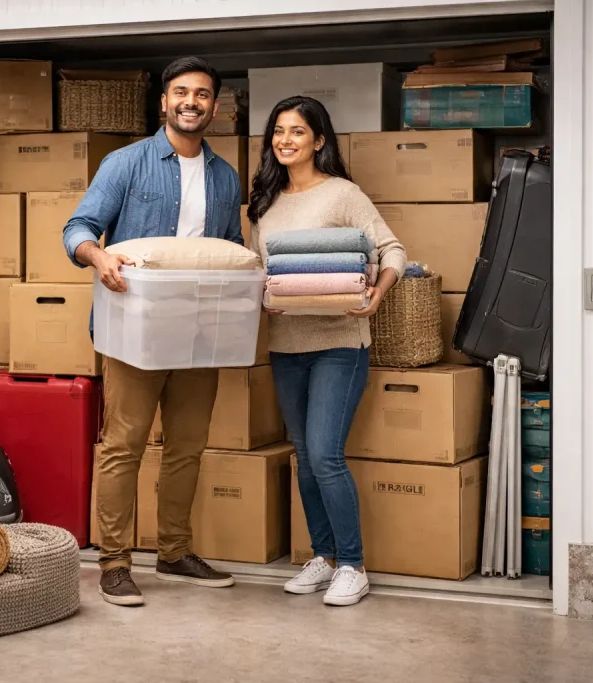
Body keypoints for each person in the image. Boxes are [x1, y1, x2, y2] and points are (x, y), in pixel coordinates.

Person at [62, 56, 243, 607]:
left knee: (187, 448)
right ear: (164, 101)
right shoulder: (126, 163)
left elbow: (230, 251)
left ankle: (174, 551)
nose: (192, 102)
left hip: (200, 333)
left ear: (214, 105)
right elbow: (78, 228)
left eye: (202, 94)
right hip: (134, 329)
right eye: (181, 92)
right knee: (124, 446)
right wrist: (100, 258)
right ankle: (115, 563)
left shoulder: (225, 176)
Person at [247, 96, 406, 607]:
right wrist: (261, 295)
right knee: (305, 458)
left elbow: (393, 250)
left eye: (297, 131)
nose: (286, 140)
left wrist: (376, 294)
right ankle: (324, 556)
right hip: (286, 344)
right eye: (278, 130)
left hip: (340, 342)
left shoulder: (343, 194)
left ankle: (353, 566)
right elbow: (257, 268)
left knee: (325, 454)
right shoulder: (266, 204)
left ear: (319, 140)